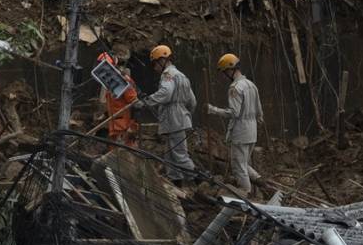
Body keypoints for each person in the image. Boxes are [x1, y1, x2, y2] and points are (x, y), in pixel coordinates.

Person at [140, 46, 197, 184]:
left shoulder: (167, 75)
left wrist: (146, 102)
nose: (154, 68)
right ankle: (176, 182)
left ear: (162, 60)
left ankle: (200, 181)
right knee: (170, 155)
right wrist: (186, 115)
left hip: (173, 119)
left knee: (179, 154)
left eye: (154, 64)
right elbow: (193, 101)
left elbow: (165, 93)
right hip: (181, 117)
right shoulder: (182, 76)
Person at [208, 53, 264, 194]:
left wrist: (213, 110)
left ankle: (246, 194)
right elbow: (259, 112)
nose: (223, 75)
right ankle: (259, 179)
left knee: (238, 166)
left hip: (241, 131)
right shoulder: (251, 85)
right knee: (243, 162)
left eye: (223, 72)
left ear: (229, 70)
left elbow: (234, 113)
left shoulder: (235, 88)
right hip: (252, 131)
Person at [97, 51, 139, 147]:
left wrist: (132, 127)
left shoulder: (124, 81)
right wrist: (104, 115)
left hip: (124, 131)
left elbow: (135, 104)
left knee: (125, 158)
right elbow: (116, 106)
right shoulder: (110, 86)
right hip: (114, 132)